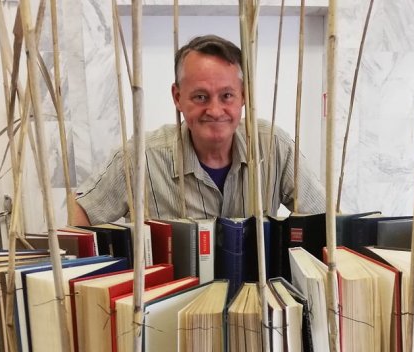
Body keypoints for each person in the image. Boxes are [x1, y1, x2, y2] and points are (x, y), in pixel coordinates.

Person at [73, 35, 325, 225]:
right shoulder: (139, 158)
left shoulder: (274, 146)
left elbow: (325, 218)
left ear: (244, 96)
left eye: (227, 95)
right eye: (201, 97)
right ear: (178, 97)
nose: (214, 111)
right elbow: (80, 215)